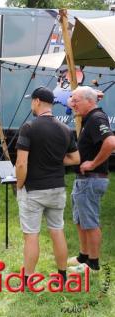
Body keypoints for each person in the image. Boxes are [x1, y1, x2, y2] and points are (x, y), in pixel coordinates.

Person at [15, 86, 80, 286]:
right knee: (57, 231)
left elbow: (21, 163)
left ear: (36, 101)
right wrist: (53, 160)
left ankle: (28, 280)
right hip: (57, 188)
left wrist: (19, 185)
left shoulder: (28, 128)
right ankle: (62, 276)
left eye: (31, 102)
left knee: (31, 236)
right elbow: (75, 158)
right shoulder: (65, 129)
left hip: (33, 190)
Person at [67, 86, 115, 272]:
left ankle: (92, 264)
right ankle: (83, 257)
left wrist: (93, 163)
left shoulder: (96, 118)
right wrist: (89, 95)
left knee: (90, 222)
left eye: (76, 101)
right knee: (81, 220)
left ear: (89, 101)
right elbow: (74, 100)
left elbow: (111, 142)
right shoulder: (90, 116)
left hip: (91, 179)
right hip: (84, 180)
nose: (73, 104)